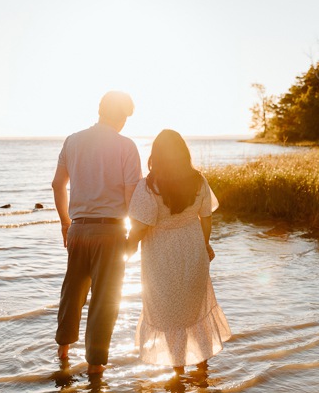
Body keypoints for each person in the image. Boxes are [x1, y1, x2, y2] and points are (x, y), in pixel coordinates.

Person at [52, 90, 142, 374]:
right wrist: (132, 236)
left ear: (101, 110)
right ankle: (95, 369)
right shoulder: (126, 146)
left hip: (78, 228)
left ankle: (63, 353)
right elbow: (132, 196)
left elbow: (57, 185)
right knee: (105, 301)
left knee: (72, 292)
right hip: (111, 231)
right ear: (122, 117)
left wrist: (66, 223)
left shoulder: (73, 141)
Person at [127, 129, 231, 371]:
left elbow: (141, 227)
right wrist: (204, 245)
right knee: (195, 312)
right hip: (193, 251)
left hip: (161, 257)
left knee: (170, 315)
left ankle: (178, 374)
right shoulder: (198, 180)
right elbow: (206, 218)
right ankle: (202, 371)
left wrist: (124, 249)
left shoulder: (149, 186)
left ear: (156, 155)